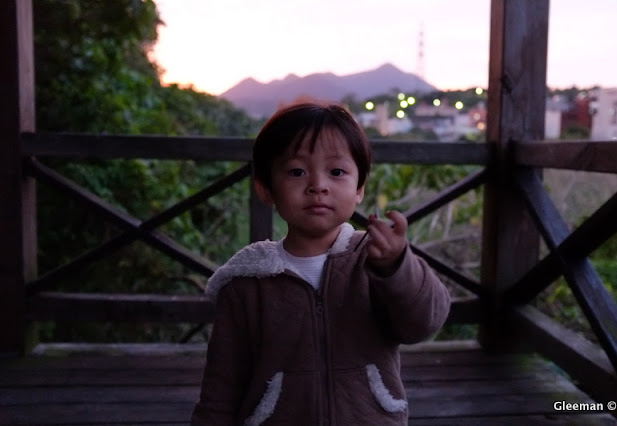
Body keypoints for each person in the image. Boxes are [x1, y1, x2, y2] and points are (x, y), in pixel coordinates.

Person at [191, 102, 451, 425]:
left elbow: (425, 321)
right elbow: (220, 389)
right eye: (297, 171)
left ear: (359, 189)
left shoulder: (374, 261)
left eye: (337, 172)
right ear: (265, 189)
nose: (318, 185)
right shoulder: (247, 284)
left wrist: (397, 266)